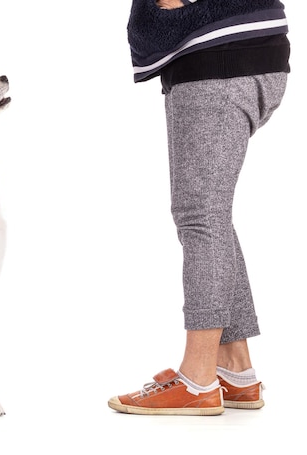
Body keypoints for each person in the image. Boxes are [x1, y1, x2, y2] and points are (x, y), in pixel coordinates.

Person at [108, 0, 291, 415]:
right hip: (248, 55)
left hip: (217, 61)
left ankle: (198, 378)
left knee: (200, 216)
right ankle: (235, 369)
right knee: (211, 214)